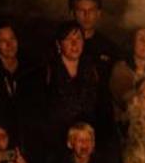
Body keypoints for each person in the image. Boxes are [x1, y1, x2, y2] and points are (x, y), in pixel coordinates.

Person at [38, 19, 109, 150]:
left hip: (88, 141)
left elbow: (101, 106)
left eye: (78, 38)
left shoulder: (93, 69)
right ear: (59, 44)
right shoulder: (47, 71)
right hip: (57, 142)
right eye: (68, 39)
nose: (74, 43)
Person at [109, 26, 145, 130]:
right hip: (126, 129)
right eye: (141, 39)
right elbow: (128, 102)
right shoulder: (120, 70)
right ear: (132, 43)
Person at [69, 0, 122, 77]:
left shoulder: (110, 48)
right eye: (81, 10)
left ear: (98, 13)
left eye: (91, 10)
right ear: (72, 13)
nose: (87, 15)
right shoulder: (61, 45)